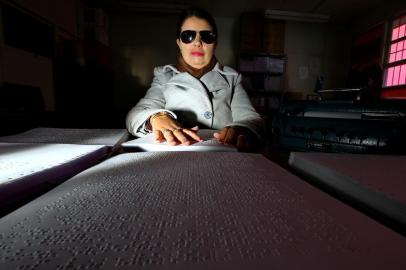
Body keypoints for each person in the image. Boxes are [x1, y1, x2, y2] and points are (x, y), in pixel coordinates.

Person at [126, 7, 265, 152]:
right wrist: (155, 118)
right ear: (179, 42)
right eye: (188, 36)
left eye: (207, 36)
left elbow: (251, 119)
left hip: (221, 154)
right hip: (175, 155)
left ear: (215, 43)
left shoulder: (232, 78)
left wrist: (241, 130)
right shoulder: (164, 76)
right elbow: (135, 114)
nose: (198, 42)